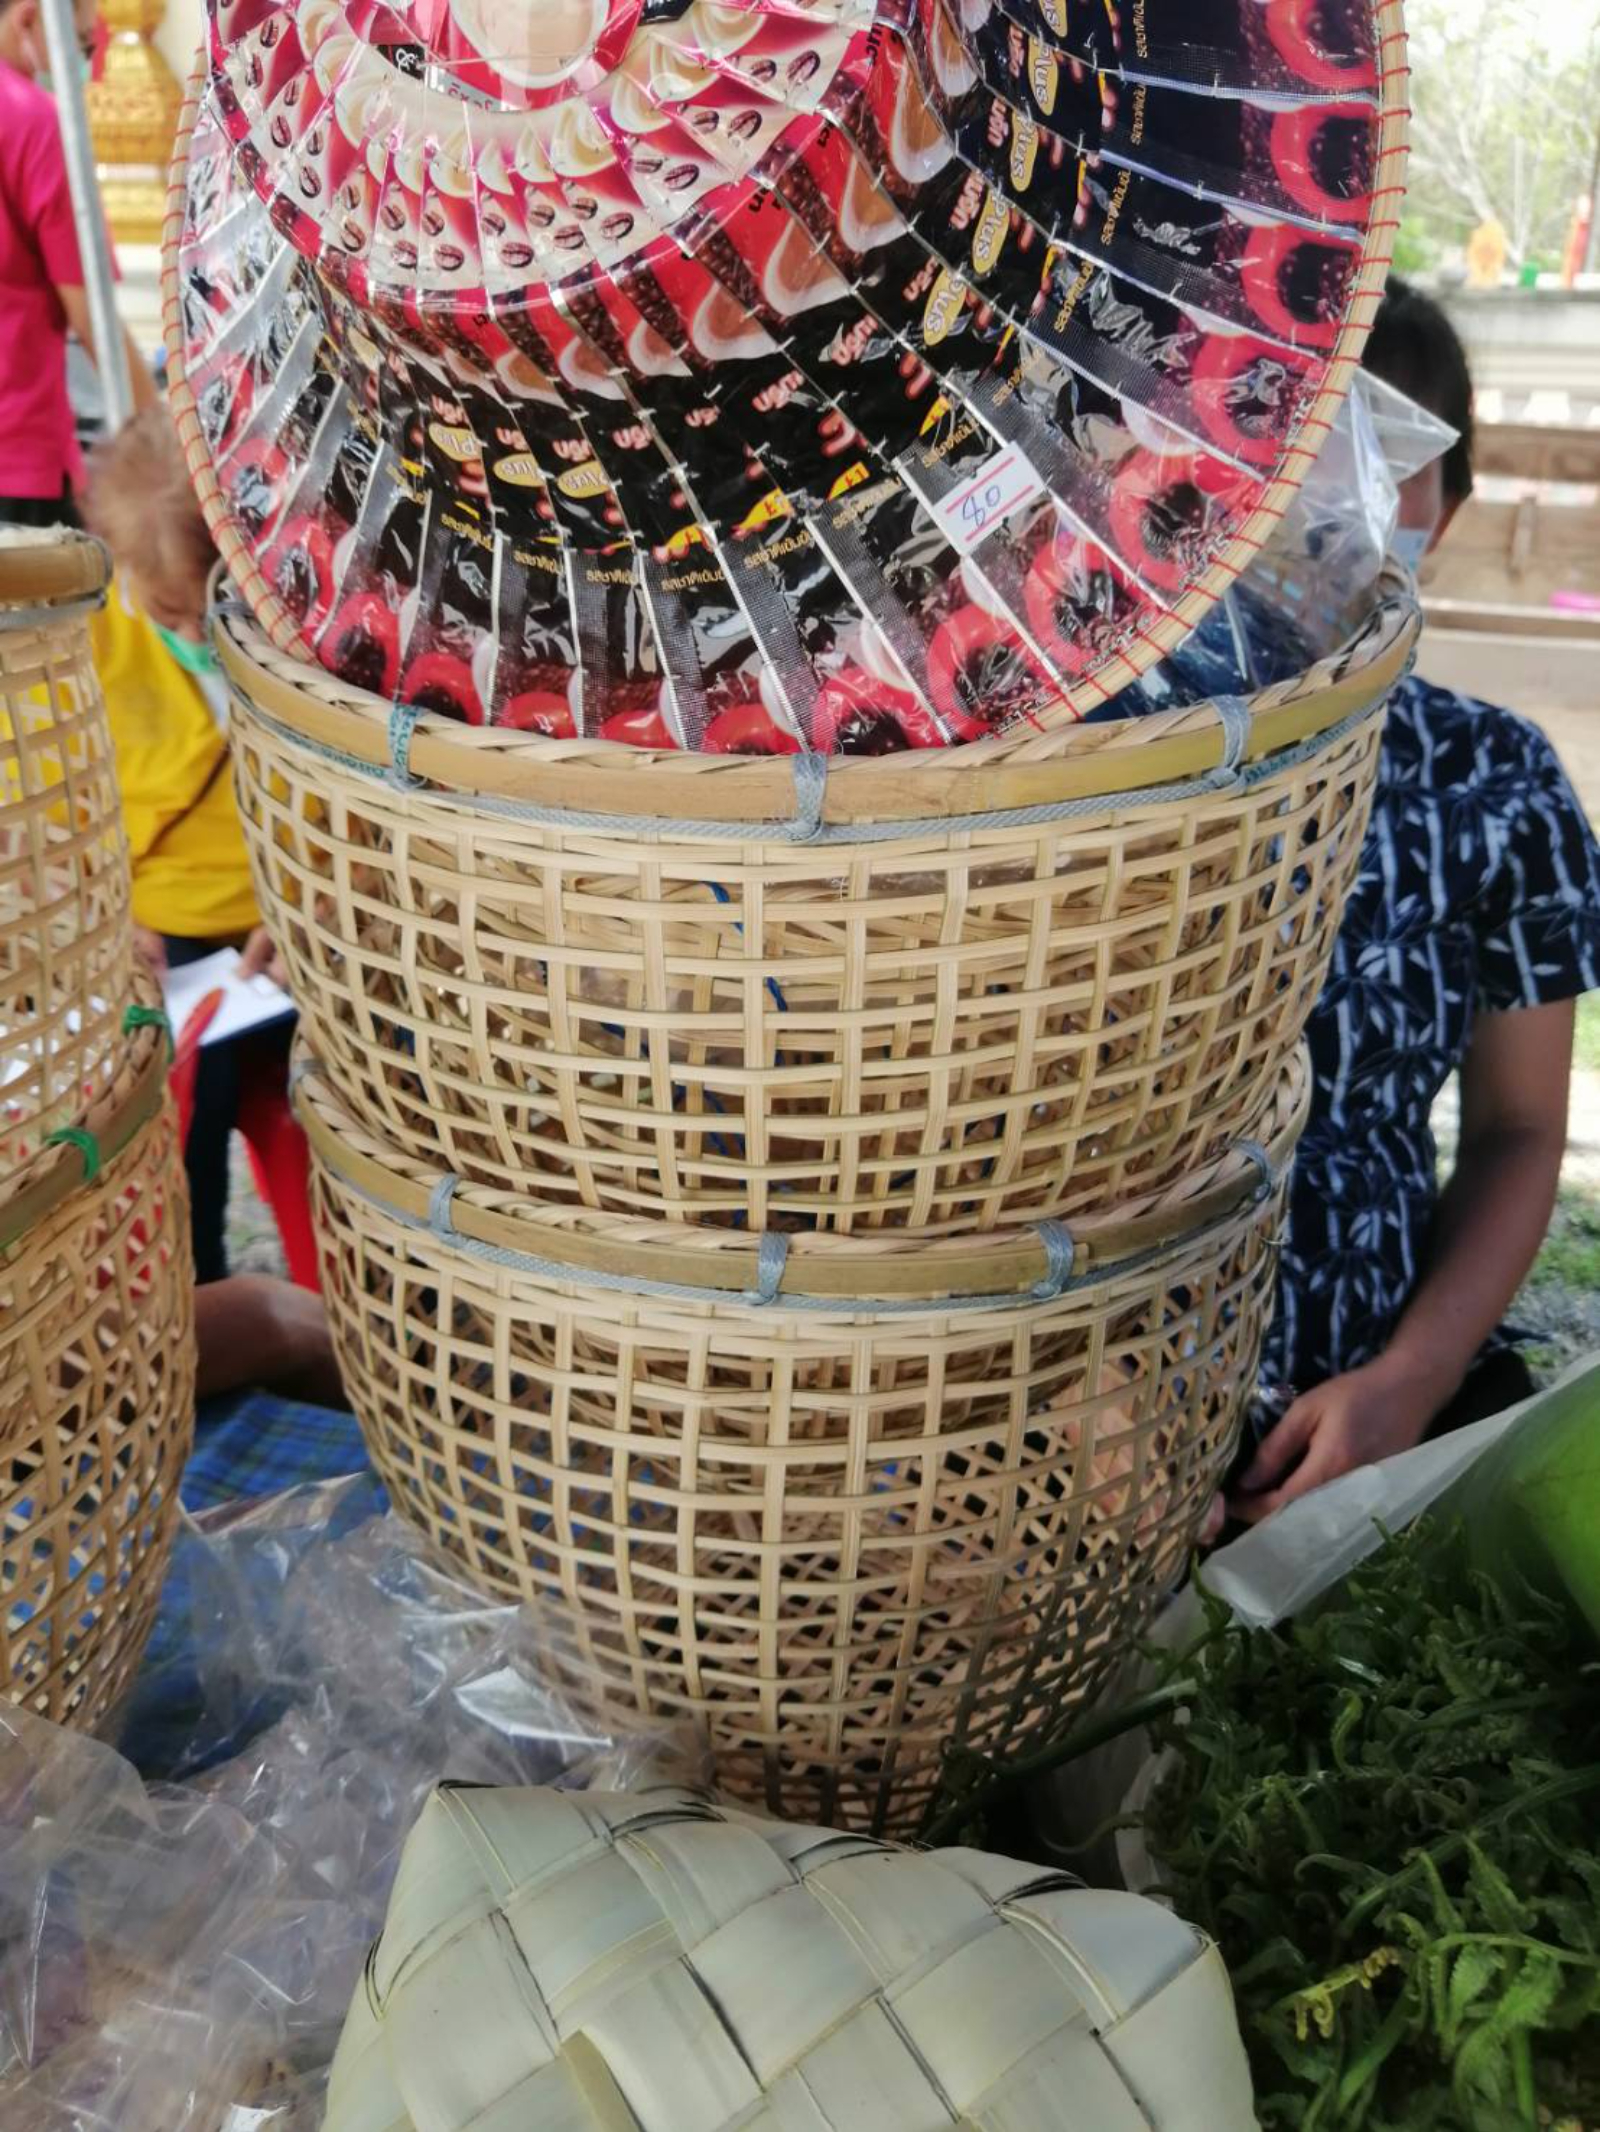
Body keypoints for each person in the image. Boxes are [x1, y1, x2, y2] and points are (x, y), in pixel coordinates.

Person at [1235, 280, 1600, 1522]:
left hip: (1371, 1417)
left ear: (1449, 504)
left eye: (1389, 459)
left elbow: (1519, 1128)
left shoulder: (1495, 782)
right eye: (1301, 450)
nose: (1338, 502)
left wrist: (1411, 1380)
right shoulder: (1106, 777)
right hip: (1081, 1412)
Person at [82, 407, 315, 1288]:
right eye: (169, 614)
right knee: (181, 1139)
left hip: (296, 934)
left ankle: (343, 1311)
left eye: (217, 612)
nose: (193, 639)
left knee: (326, 1129)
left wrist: (307, 911)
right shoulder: (90, 643)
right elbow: (55, 809)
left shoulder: (308, 634)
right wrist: (110, 919)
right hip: (167, 945)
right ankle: (204, 1302)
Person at [0, 0, 156, 526]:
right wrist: (165, 445)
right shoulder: (35, 120)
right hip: (17, 459)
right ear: (28, 19)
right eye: (83, 46)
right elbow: (94, 320)